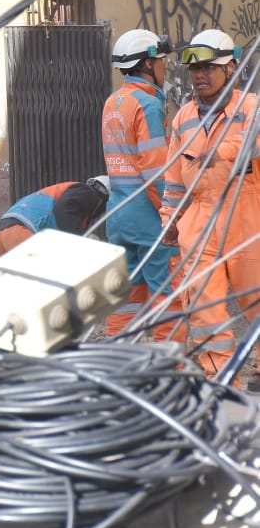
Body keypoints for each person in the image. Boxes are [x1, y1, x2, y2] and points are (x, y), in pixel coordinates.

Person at [160, 29, 260, 377]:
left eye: (209, 68)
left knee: (257, 304)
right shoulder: (183, 117)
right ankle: (220, 384)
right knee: (206, 312)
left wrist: (222, 152)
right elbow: (174, 180)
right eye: (194, 70)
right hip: (199, 228)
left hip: (247, 223)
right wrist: (170, 220)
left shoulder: (251, 107)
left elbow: (251, 142)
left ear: (230, 68)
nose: (199, 76)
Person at [103, 28, 178, 338]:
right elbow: (155, 171)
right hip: (148, 218)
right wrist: (170, 214)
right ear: (148, 64)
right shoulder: (147, 105)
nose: (164, 66)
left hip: (117, 217)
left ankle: (115, 368)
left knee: (126, 300)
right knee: (167, 296)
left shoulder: (113, 101)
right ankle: (170, 370)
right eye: (161, 60)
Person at [0, 177, 110, 257]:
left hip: (2, 233)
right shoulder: (87, 193)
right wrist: (82, 239)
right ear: (106, 196)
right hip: (23, 230)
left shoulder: (72, 194)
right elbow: (65, 208)